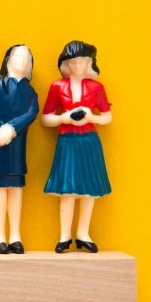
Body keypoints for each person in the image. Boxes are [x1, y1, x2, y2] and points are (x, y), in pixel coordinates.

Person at [40, 40, 112, 253]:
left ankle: (83, 232)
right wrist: (65, 118)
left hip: (89, 140)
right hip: (68, 140)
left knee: (89, 190)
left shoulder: (97, 87)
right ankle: (64, 235)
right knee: (67, 189)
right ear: (66, 64)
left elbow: (107, 116)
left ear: (89, 63)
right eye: (73, 62)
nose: (77, 66)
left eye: (82, 61)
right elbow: (46, 118)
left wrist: (91, 117)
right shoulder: (57, 87)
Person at [0, 44, 39, 254]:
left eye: (27, 57)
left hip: (17, 147)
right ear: (7, 60)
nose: (22, 59)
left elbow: (32, 113)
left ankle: (15, 235)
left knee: (16, 190)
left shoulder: (30, 91)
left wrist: (12, 128)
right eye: (18, 55)